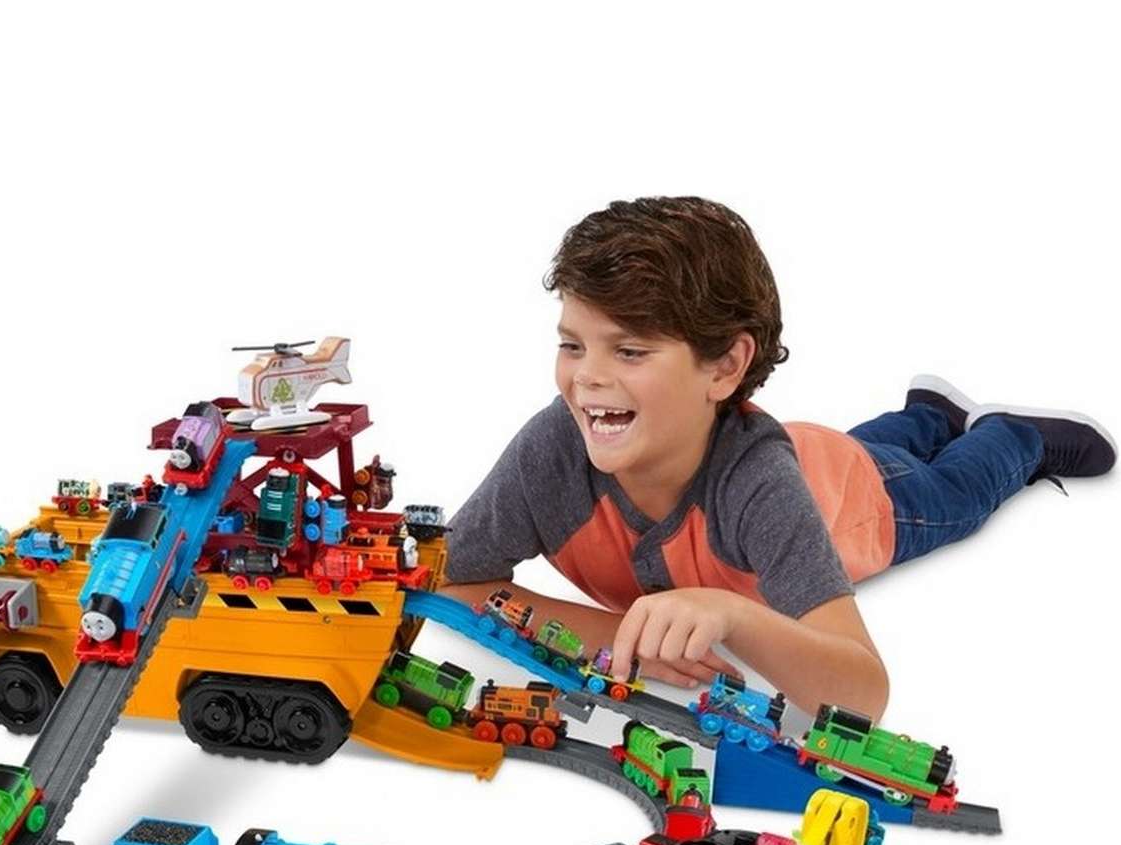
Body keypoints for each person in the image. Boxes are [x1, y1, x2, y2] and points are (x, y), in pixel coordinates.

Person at [441, 197, 1115, 719]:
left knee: (953, 494)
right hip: (815, 449)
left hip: (863, 499)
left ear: (725, 366)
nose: (586, 377)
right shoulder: (552, 453)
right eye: (572, 345)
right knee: (876, 445)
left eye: (630, 350)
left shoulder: (758, 486)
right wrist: (618, 636)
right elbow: (450, 580)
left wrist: (731, 614)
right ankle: (930, 412)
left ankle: (1011, 435)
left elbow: (863, 693)